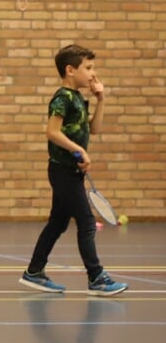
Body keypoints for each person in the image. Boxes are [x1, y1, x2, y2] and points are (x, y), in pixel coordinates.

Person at [18, 45, 128, 296]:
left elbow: (94, 129)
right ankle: (97, 278)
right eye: (88, 68)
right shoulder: (62, 98)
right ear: (70, 70)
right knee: (87, 223)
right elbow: (52, 132)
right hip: (62, 172)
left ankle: (34, 273)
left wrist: (101, 100)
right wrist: (80, 150)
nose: (93, 73)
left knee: (57, 223)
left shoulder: (78, 98)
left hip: (72, 172)